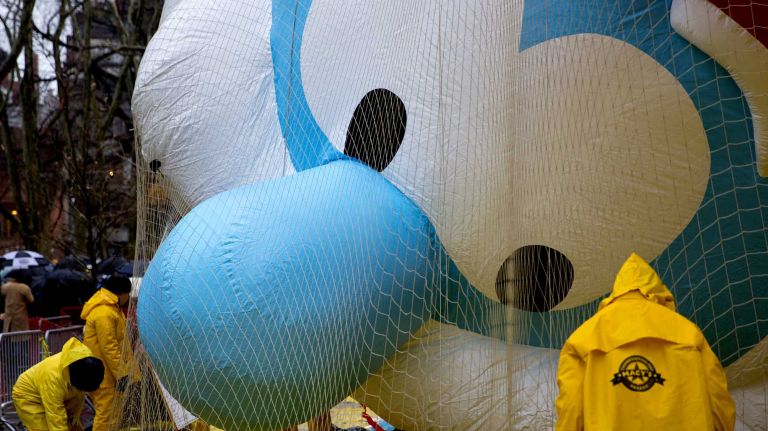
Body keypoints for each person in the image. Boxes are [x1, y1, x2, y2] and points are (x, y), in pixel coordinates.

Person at [555, 252, 735, 430]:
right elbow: (719, 404)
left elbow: (570, 411)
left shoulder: (582, 338)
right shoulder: (689, 333)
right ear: (657, 291)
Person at [13, 337, 104, 431]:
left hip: (50, 391)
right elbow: (56, 417)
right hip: (28, 396)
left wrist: (74, 416)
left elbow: (78, 396)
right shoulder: (53, 378)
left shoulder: (83, 365)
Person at [80, 275, 135, 431]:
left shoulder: (110, 309)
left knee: (113, 417)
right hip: (105, 377)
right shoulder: (104, 312)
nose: (129, 298)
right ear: (121, 293)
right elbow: (109, 348)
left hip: (109, 375)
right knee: (106, 418)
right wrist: (122, 374)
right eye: (128, 294)